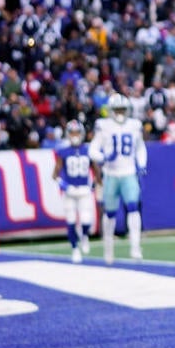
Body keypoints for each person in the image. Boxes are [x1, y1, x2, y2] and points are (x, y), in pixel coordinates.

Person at [89, 93, 148, 264]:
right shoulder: (103, 126)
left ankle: (135, 247)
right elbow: (93, 150)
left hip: (129, 171)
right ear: (111, 110)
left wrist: (142, 164)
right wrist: (104, 157)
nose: (121, 112)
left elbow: (140, 148)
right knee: (110, 213)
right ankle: (108, 249)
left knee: (133, 207)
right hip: (111, 174)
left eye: (123, 109)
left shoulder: (134, 125)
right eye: (118, 109)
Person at [54, 119, 99, 263]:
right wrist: (62, 184)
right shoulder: (63, 151)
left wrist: (94, 183)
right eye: (72, 132)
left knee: (86, 220)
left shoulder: (89, 150)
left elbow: (96, 170)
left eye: (77, 132)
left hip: (84, 190)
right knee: (71, 221)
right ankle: (74, 249)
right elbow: (55, 174)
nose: (74, 135)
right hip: (70, 191)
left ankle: (84, 236)